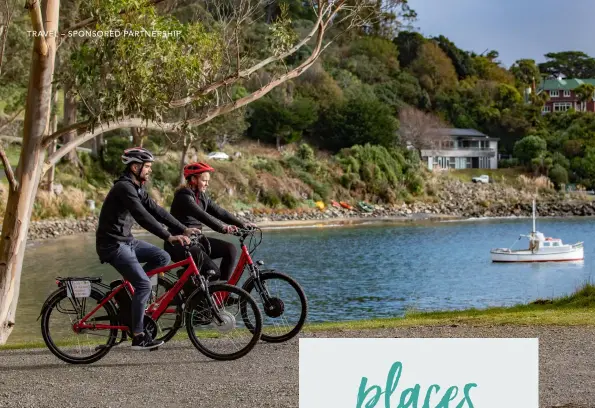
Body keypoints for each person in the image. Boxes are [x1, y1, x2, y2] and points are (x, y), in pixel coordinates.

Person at [96, 147, 200, 351]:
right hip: (113, 245)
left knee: (161, 257)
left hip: (127, 241)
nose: (149, 170)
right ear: (135, 167)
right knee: (144, 284)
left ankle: (131, 292)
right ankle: (138, 336)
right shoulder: (124, 188)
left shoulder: (137, 187)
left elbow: (156, 210)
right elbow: (143, 217)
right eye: (148, 167)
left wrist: (183, 228)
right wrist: (168, 236)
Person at [164, 162, 256, 281]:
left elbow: (220, 212)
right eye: (204, 180)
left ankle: (223, 293)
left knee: (230, 249)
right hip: (179, 245)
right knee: (213, 273)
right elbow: (202, 215)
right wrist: (222, 228)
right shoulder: (184, 197)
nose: (207, 184)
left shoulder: (202, 196)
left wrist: (242, 224)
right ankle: (187, 285)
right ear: (193, 179)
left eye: (208, 181)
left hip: (196, 241)